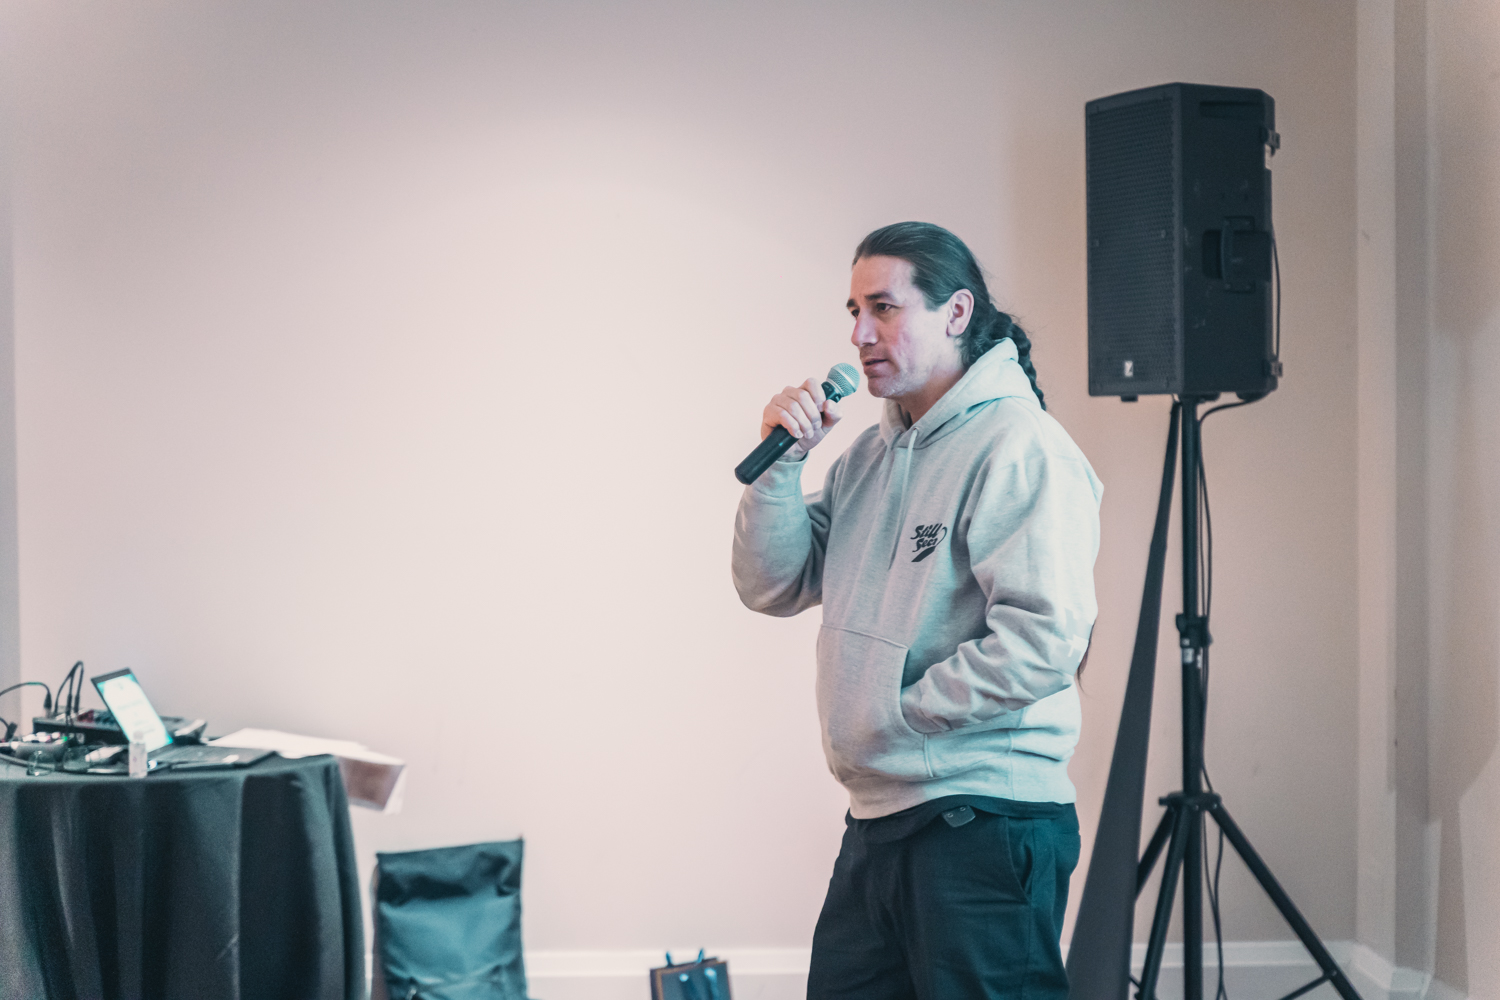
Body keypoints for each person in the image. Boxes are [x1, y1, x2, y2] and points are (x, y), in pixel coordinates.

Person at [731, 222, 1103, 1000]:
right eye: (853, 311)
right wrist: (781, 467)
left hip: (983, 820)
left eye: (883, 308)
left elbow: (1044, 640)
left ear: (956, 313)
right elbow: (773, 584)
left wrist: (901, 712)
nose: (860, 334)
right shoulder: (868, 457)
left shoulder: (1020, 446)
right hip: (881, 820)